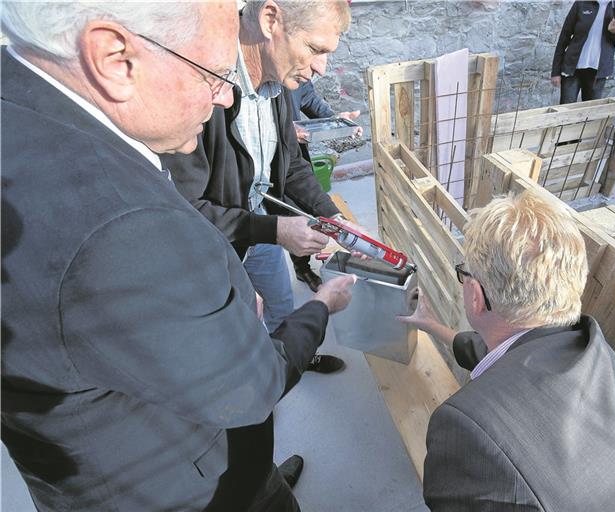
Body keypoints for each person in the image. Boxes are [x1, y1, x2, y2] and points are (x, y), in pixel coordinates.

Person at [1, 2, 355, 511]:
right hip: (197, 490)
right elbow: (251, 386)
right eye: (214, 73)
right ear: (115, 58)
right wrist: (319, 303)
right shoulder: (129, 229)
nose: (228, 95)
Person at [398, 190, 615, 511]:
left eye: (464, 273)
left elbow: (444, 501)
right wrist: (429, 324)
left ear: (475, 295)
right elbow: (501, 354)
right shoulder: (587, 346)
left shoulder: (467, 428)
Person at [163, 0, 357, 375]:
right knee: (237, 336)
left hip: (261, 234)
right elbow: (184, 211)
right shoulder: (203, 83)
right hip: (215, 252)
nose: (321, 68)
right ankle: (260, 388)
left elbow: (293, 167)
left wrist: (335, 219)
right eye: (315, 49)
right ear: (271, 20)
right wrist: (277, 230)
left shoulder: (278, 78)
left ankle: (294, 360)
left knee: (282, 308)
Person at [289, 79, 361, 293]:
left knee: (300, 214)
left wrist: (332, 120)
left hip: (291, 163)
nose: (317, 69)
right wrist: (283, 132)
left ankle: (302, 267)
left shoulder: (297, 74)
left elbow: (308, 98)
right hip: (253, 178)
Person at [551, 0, 615, 104]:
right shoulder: (582, 2)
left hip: (598, 73)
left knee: (589, 114)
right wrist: (555, 72)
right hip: (572, 68)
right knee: (565, 112)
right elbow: (564, 37)